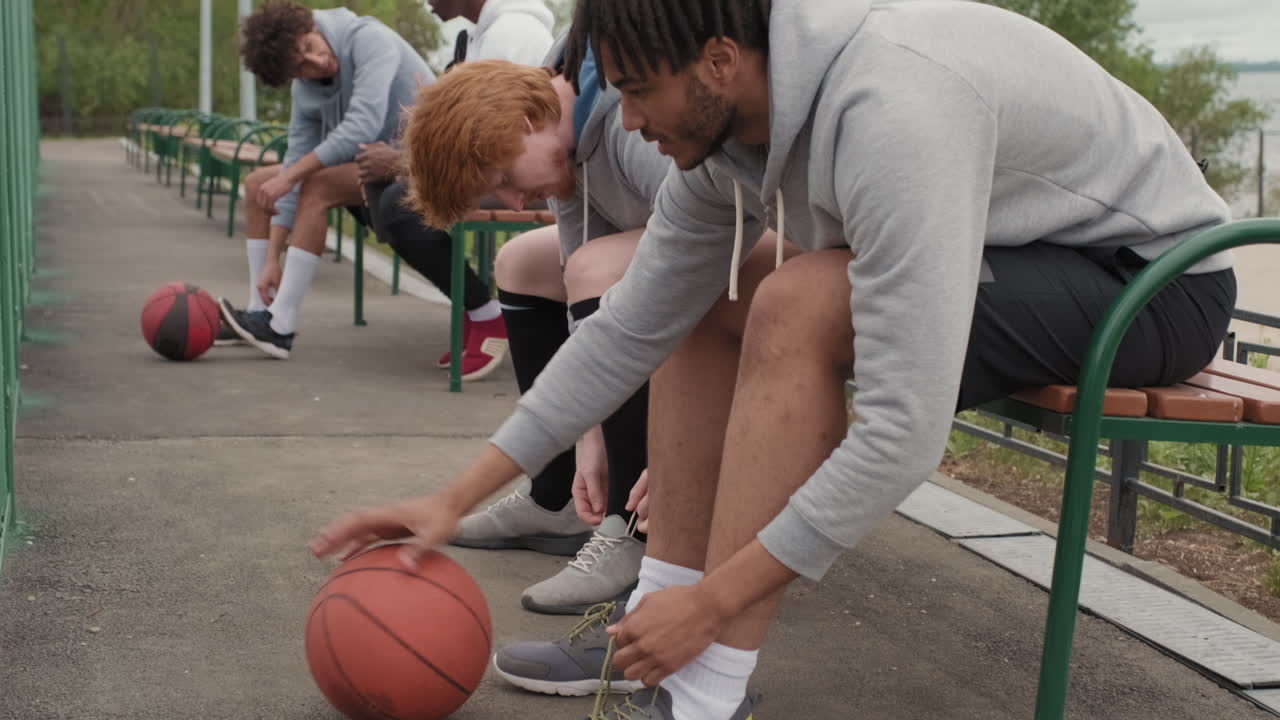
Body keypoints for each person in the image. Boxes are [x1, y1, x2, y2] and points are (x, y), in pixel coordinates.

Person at [311, 1, 1238, 718]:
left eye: (636, 91)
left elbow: (903, 435)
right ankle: (655, 637)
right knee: (711, 286)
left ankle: (707, 687)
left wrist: (718, 603)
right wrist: (454, 495)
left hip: (1152, 281)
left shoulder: (892, 108)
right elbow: (629, 329)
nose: (626, 122)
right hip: (1037, 254)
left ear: (718, 61)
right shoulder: (725, 136)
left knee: (797, 296)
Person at [349, 0, 556, 379]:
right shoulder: (478, 36)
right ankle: (475, 309)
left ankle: (485, 314)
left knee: (402, 203)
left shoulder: (515, 32)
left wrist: (401, 164)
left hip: (529, 172)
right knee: (387, 192)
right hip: (501, 164)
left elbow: (502, 140)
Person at [218, 0, 434, 360]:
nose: (315, 63)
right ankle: (260, 311)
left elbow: (361, 127)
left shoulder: (369, 38)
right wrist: (274, 256)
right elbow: (294, 160)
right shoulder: (305, 89)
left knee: (313, 184)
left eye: (309, 48)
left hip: (418, 163)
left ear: (310, 25)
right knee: (258, 183)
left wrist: (292, 177)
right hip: (369, 166)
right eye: (300, 66)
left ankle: (280, 326)